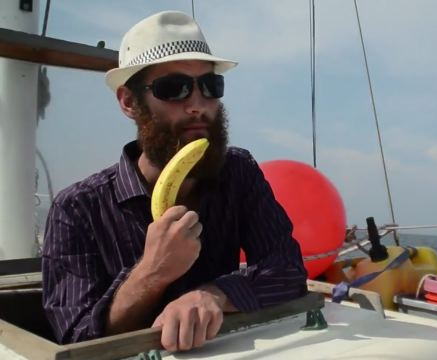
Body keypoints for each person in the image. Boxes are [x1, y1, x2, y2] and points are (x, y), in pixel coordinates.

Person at [42, 10, 308, 351]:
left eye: (211, 86)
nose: (197, 105)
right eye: (174, 88)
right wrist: (153, 271)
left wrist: (213, 294)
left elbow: (287, 269)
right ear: (128, 102)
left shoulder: (238, 171)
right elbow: (77, 338)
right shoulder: (77, 208)